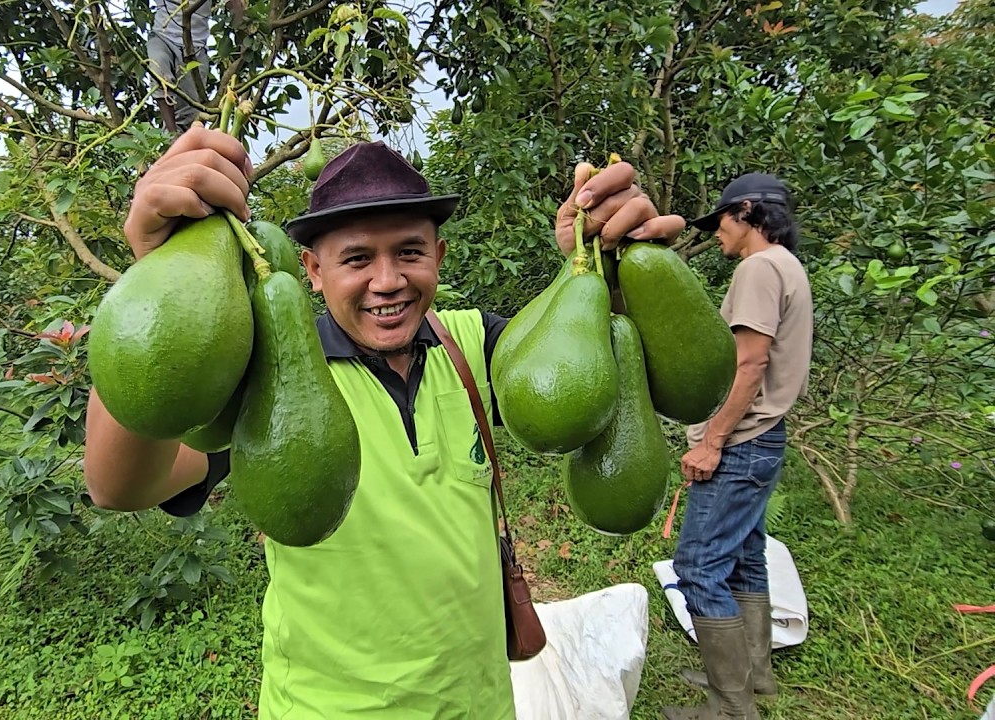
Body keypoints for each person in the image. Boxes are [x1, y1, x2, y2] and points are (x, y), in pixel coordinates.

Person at [84, 123, 687, 719]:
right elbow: (120, 485)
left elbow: (606, 374)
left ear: (439, 257)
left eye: (409, 252)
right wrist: (159, 280)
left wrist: (603, 267)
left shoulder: (477, 346)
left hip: (480, 704)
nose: (387, 281)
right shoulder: (268, 376)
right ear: (312, 270)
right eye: (356, 258)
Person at [663, 173, 813, 720]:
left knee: (698, 566)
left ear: (747, 212)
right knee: (747, 557)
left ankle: (730, 706)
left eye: (721, 221)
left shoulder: (759, 268)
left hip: (742, 442)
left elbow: (749, 365)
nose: (717, 233)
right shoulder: (788, 266)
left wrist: (712, 442)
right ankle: (753, 675)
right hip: (766, 438)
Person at [146, 0, 244, 133]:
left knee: (189, 114)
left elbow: (235, 6)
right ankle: (171, 134)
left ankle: (180, 140)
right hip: (162, 37)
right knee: (159, 72)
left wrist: (245, 33)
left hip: (195, 48)